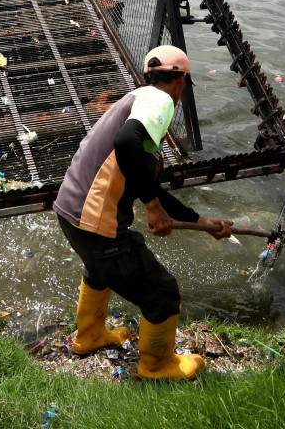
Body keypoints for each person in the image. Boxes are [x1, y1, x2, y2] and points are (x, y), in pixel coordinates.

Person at [54, 45, 233, 381]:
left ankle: (89, 337)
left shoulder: (135, 99)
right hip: (95, 221)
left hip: (70, 212)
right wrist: (152, 208)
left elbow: (146, 181)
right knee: (163, 293)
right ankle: (157, 365)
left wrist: (203, 223)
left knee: (99, 270)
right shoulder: (160, 101)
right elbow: (125, 143)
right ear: (180, 81)